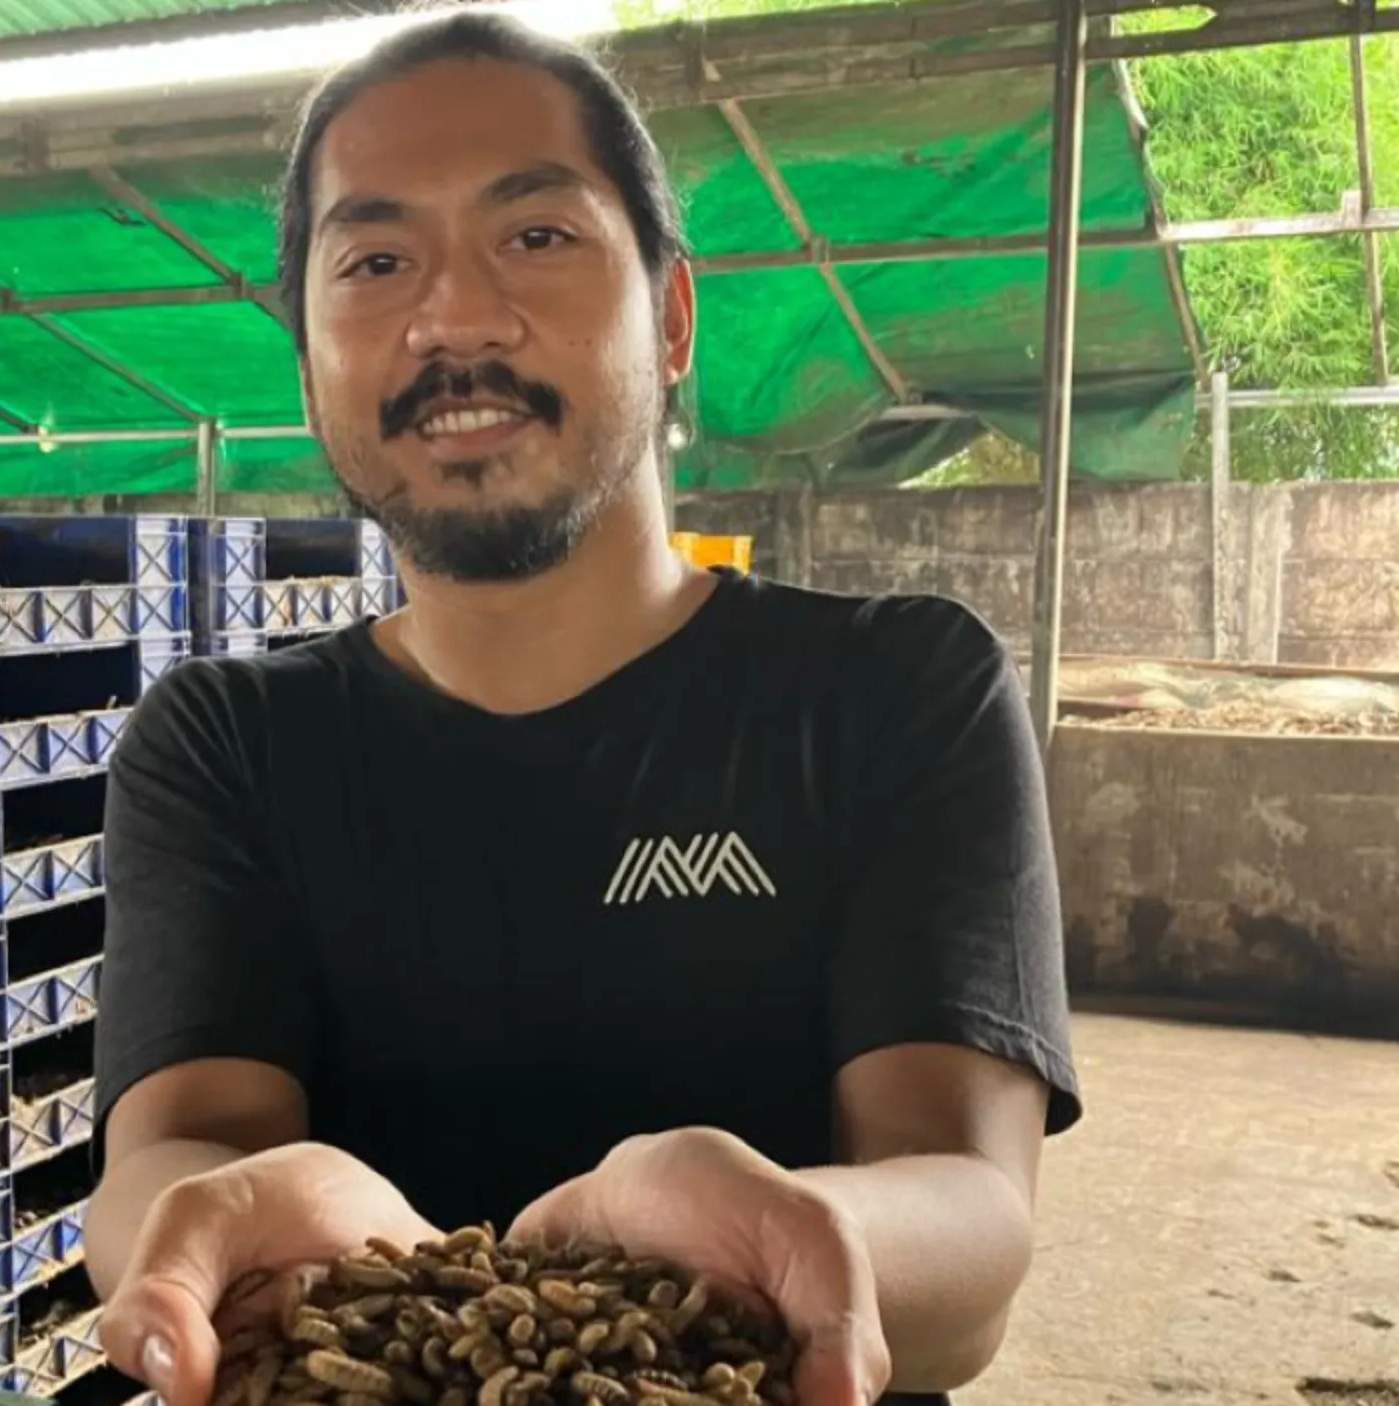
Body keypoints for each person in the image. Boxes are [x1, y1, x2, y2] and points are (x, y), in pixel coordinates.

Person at [84, 13, 1083, 1406]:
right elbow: (175, 1151)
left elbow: (973, 1213)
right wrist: (212, 1222)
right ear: (307, 358)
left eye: (536, 236)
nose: (454, 319)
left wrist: (811, 1236)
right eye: (375, 261)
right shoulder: (224, 746)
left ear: (671, 315)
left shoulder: (896, 693)